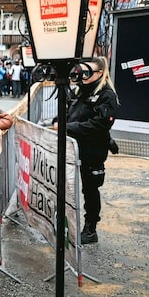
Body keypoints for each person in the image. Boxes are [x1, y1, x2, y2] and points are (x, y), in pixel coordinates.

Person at [57, 56, 119, 244]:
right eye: (81, 72)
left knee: (90, 190)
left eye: (87, 72)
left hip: (92, 150)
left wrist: (69, 127)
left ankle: (90, 228)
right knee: (67, 187)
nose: (82, 76)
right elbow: (70, 113)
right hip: (72, 149)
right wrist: (58, 122)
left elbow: (100, 124)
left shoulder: (106, 95)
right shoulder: (79, 90)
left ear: (100, 73)